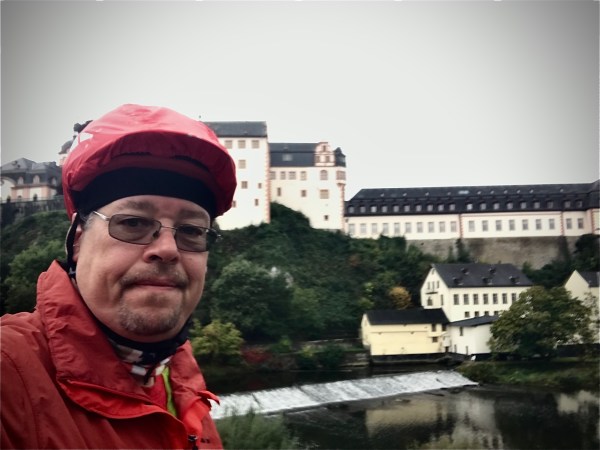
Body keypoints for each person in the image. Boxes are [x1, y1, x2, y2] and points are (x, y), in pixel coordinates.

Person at [0, 104, 237, 449]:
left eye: (191, 230)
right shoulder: (9, 375)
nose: (168, 249)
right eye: (133, 223)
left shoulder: (181, 377)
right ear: (78, 241)